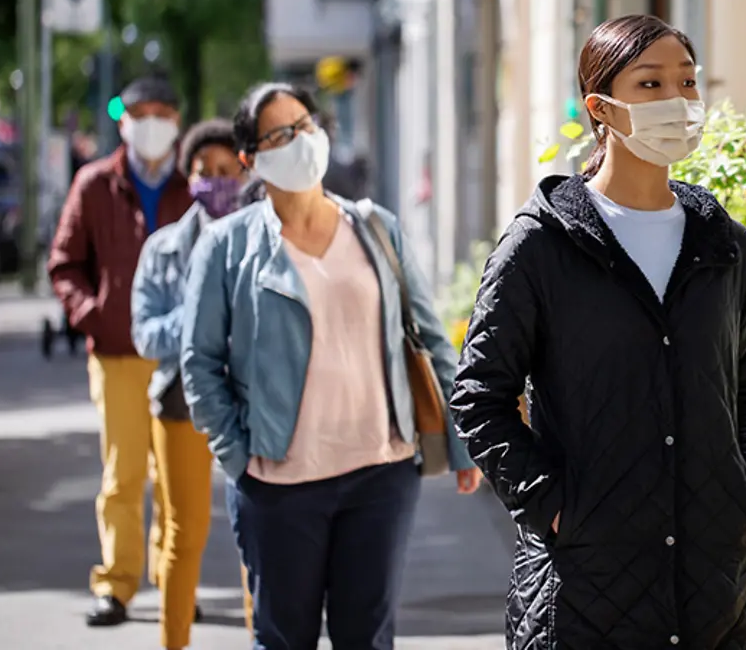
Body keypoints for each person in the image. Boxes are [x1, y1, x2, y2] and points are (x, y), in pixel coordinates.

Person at [451, 15, 746, 650]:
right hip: (582, 593)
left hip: (715, 591)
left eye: (687, 82)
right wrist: (551, 504)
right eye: (651, 84)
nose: (678, 102)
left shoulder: (722, 244)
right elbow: (480, 398)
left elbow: (745, 389)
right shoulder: (541, 245)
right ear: (601, 107)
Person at [180, 82, 482, 650]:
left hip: (381, 473)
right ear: (251, 158)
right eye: (282, 133)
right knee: (283, 637)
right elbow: (199, 362)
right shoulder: (225, 247)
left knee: (366, 638)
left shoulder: (375, 227)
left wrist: (461, 443)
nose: (302, 140)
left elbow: (431, 340)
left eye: (307, 125)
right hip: (279, 483)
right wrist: (239, 454)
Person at [48, 75, 193, 627]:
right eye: (141, 112)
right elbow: (64, 264)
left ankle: (171, 574)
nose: (152, 122)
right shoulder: (93, 185)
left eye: (163, 111)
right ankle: (117, 583)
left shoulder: (190, 188)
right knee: (124, 472)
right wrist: (93, 315)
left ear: (177, 121)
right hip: (116, 356)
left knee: (175, 474)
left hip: (178, 355)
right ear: (123, 121)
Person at [131, 119, 247, 650]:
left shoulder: (262, 240)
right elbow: (145, 335)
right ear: (190, 177)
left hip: (249, 404)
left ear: (244, 172)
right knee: (184, 533)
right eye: (205, 172)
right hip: (180, 402)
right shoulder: (163, 249)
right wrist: (198, 314)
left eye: (227, 170)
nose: (216, 181)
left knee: (259, 538)